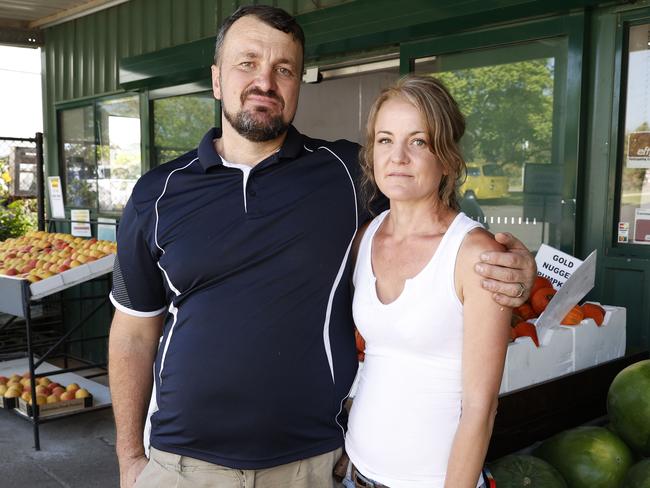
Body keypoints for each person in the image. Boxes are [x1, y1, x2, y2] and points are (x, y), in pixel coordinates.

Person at [108, 5, 535, 488]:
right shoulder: (156, 194)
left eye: (283, 69)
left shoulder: (348, 174)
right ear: (216, 79)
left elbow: (430, 217)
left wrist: (516, 266)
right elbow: (132, 334)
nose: (265, 82)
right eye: (247, 63)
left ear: (297, 85)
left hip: (310, 465)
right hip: (183, 465)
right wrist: (128, 458)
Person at [344, 75, 510, 488]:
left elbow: (481, 406)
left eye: (418, 141)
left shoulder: (473, 254)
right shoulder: (365, 238)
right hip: (356, 473)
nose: (398, 156)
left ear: (448, 158)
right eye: (385, 140)